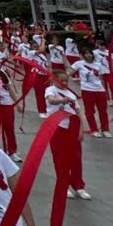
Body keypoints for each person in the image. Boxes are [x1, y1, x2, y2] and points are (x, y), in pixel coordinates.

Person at [44, 66, 89, 200]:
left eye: (66, 81)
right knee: (60, 158)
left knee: (75, 158)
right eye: (61, 81)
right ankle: (63, 186)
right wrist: (62, 100)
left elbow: (79, 113)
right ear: (54, 80)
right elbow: (51, 100)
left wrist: (81, 130)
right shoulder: (50, 89)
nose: (64, 83)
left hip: (72, 128)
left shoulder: (71, 94)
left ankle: (78, 186)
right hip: (56, 127)